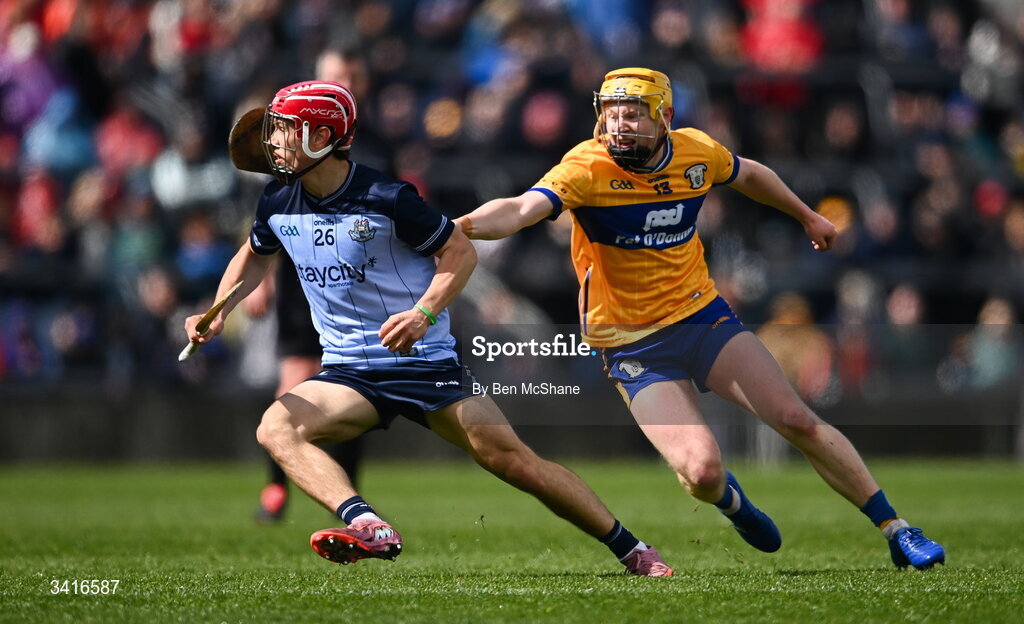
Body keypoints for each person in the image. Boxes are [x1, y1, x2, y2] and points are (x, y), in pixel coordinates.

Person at [455, 68, 945, 570]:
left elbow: (749, 173)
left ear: (664, 117)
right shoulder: (586, 166)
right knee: (703, 472)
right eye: (612, 113)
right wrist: (462, 227)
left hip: (701, 317)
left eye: (633, 114)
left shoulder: (695, 152)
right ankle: (734, 503)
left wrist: (806, 215)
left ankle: (898, 530)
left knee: (797, 419)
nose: (619, 125)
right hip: (631, 345)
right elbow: (519, 208)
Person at [184, 80, 673, 576]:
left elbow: (459, 250)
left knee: (517, 464)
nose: (274, 141)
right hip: (349, 374)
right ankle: (370, 525)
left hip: (426, 366)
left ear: (321, 135)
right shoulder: (277, 201)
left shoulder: (387, 196)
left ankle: (633, 550)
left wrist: (423, 313)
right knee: (276, 428)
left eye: (287, 129)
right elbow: (252, 256)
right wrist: (220, 308)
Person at [245, 46, 389, 524]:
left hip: (357, 287)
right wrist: (256, 281)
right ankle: (275, 490)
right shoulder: (295, 139)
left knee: (347, 394)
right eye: (333, 74)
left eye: (350, 73)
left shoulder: (377, 147)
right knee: (294, 385)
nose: (343, 80)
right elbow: (268, 220)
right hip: (300, 283)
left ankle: (346, 497)